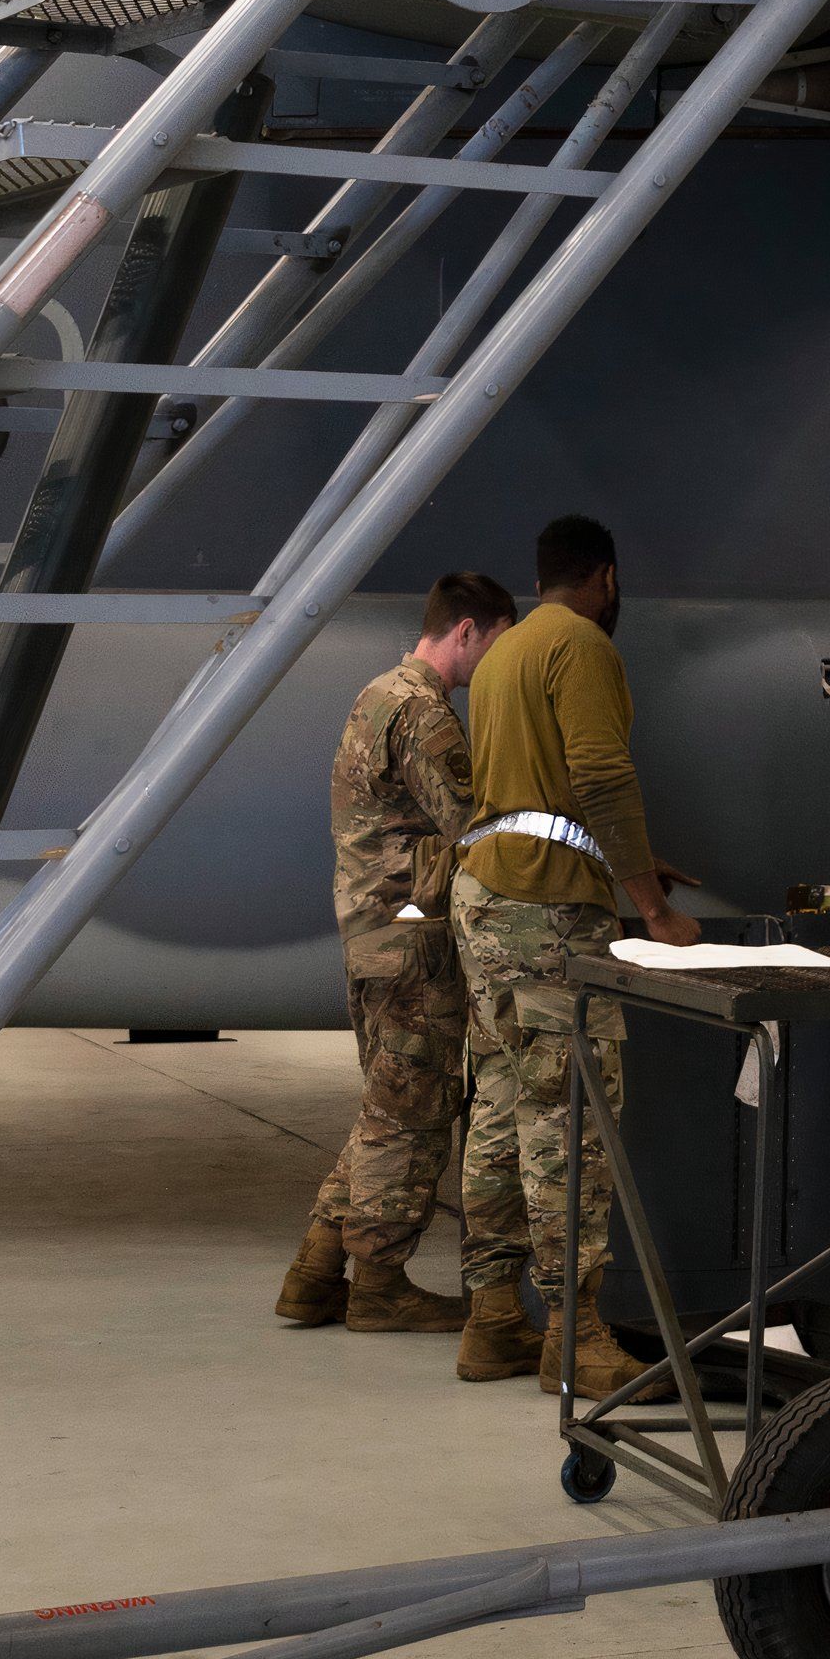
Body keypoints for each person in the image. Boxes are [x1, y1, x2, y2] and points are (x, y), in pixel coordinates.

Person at [452, 513, 696, 1394]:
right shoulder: (583, 645)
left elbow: (529, 788)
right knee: (570, 1117)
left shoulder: (505, 651)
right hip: (545, 910)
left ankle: (491, 1320)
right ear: (607, 578)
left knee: (499, 1106)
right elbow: (597, 773)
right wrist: (652, 905)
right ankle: (573, 1334)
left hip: (485, 890)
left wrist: (616, 853)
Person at [276, 571, 511, 1338]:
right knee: (410, 1117)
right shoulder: (425, 715)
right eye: (496, 644)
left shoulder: (376, 693)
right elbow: (474, 826)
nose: (494, 664)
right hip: (413, 942)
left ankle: (315, 1272)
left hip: (374, 934)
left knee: (386, 1103)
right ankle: (377, 1284)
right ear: (467, 630)